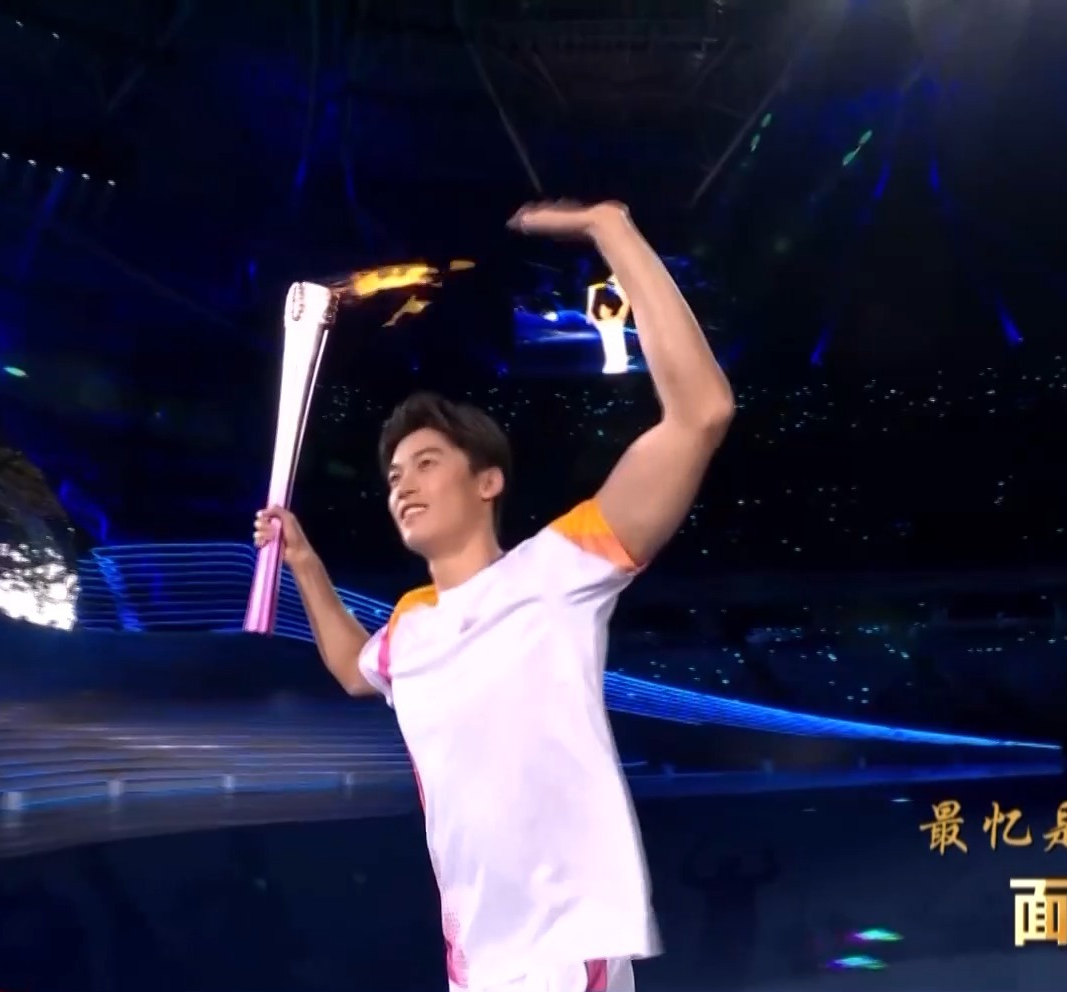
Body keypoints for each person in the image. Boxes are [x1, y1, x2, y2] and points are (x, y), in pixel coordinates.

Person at [255, 200, 734, 992]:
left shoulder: (559, 569)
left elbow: (701, 414)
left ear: (488, 483)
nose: (404, 484)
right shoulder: (410, 626)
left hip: (563, 957)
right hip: (476, 963)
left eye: (427, 463)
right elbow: (351, 667)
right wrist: (304, 563)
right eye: (394, 475)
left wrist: (609, 230)